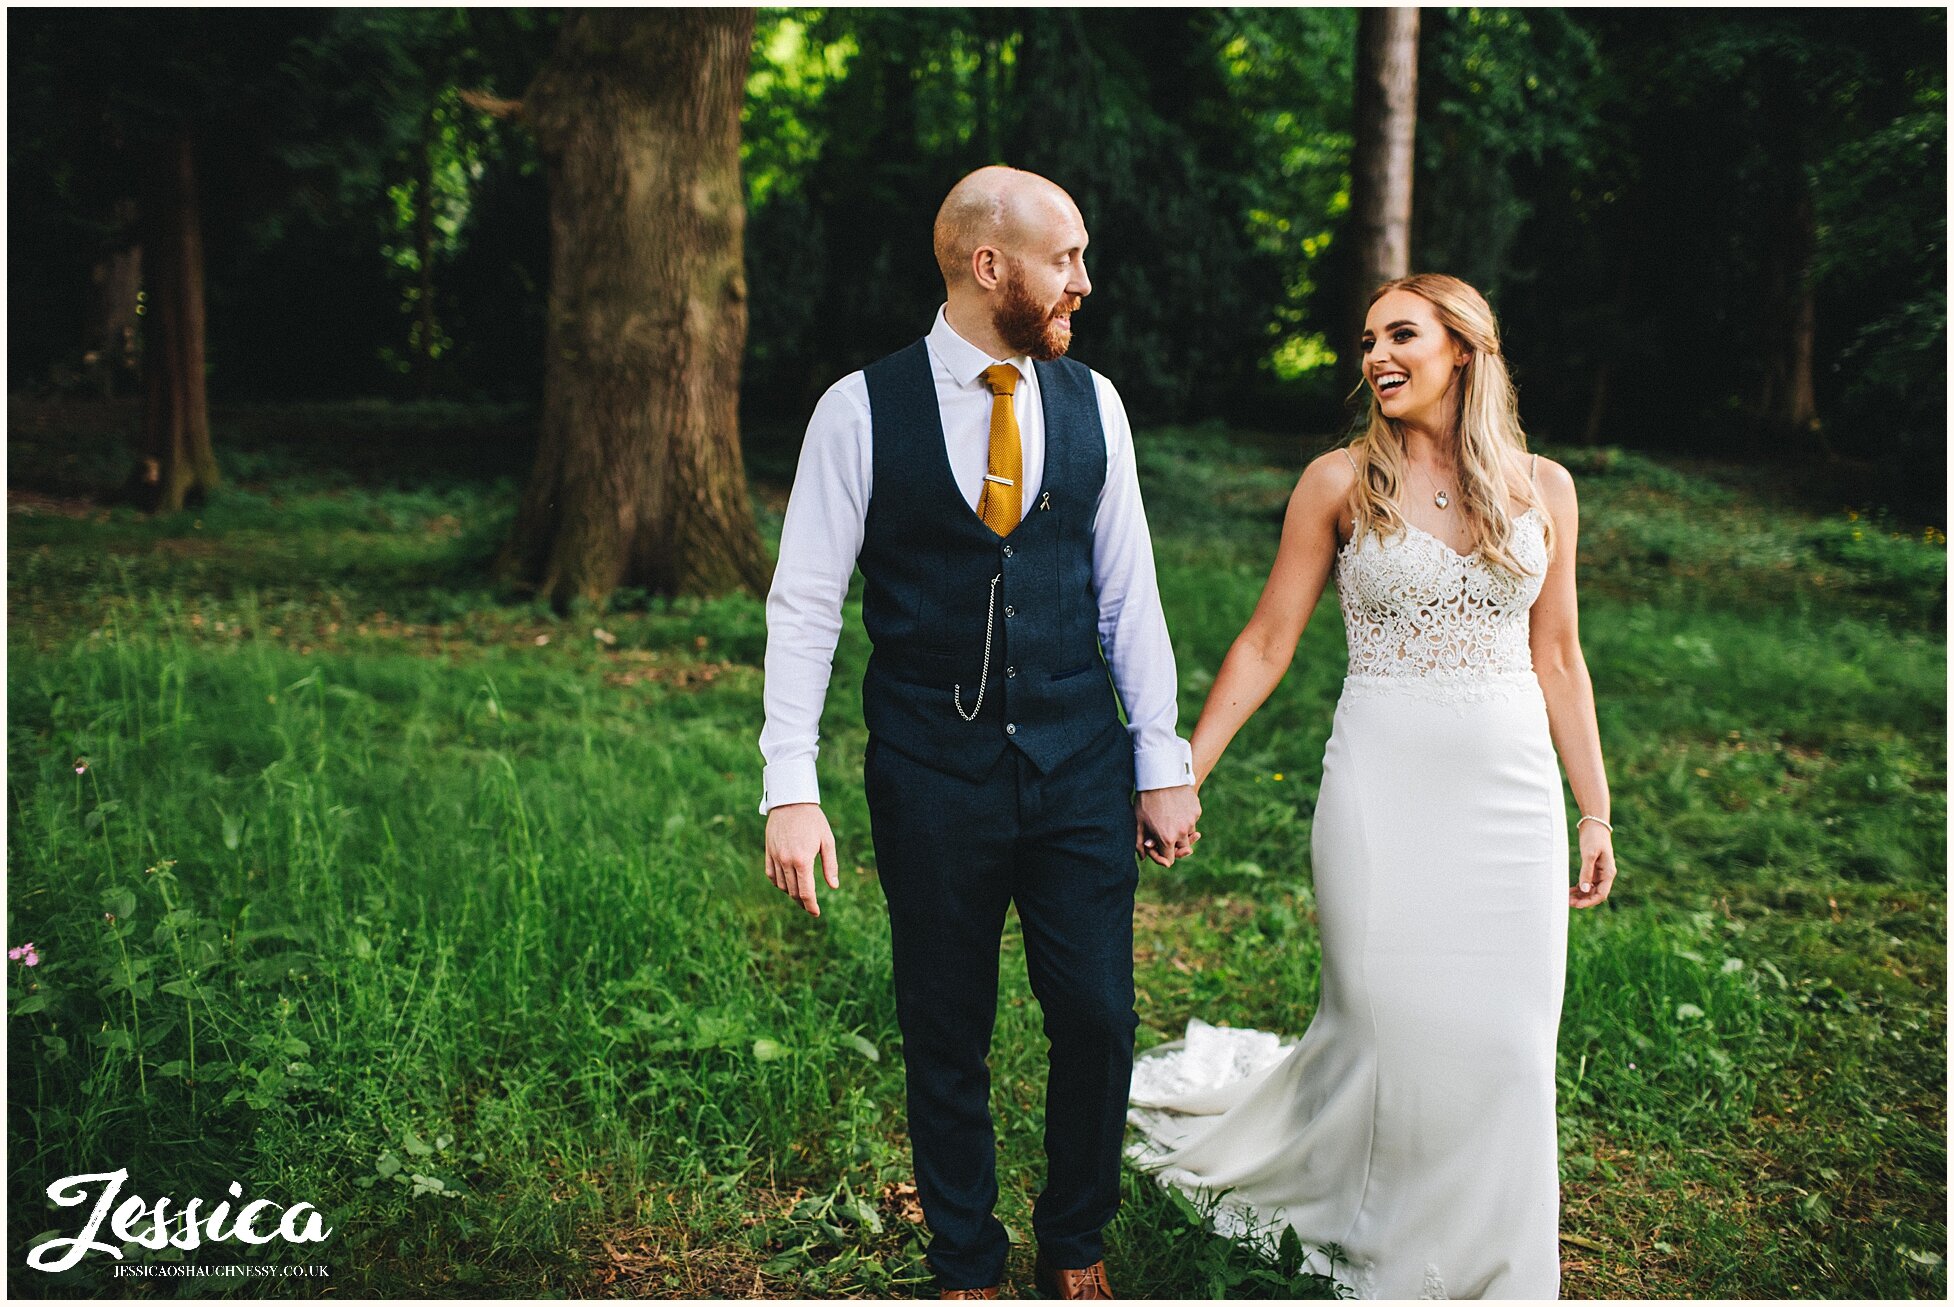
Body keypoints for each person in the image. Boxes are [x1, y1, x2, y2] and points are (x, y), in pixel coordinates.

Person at [1126, 273, 1618, 1299]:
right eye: (1366, 340)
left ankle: (1493, 1258)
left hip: (1509, 791)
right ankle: (1376, 1226)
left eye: (1401, 334)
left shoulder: (1546, 488)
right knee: (1384, 1015)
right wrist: (1180, 768)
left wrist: (1594, 806)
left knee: (1509, 1040)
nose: (1376, 356)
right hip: (1380, 785)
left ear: (1463, 351)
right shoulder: (1336, 482)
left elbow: (1560, 656)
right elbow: (1267, 641)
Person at [759, 165, 1203, 1300]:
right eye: (1066, 259)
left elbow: (1126, 594)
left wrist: (1160, 759)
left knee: (1099, 1017)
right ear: (988, 265)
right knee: (945, 1026)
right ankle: (965, 1257)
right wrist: (788, 784)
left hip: (1077, 766)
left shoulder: (1093, 403)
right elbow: (805, 601)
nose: (1084, 283)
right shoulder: (859, 411)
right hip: (929, 772)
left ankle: (1075, 1239)